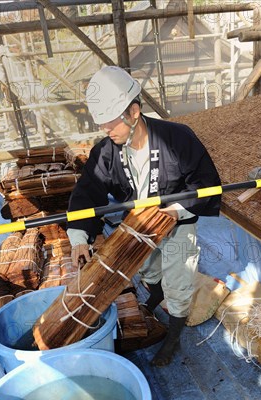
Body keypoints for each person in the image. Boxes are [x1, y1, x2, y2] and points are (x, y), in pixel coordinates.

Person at [67, 66, 221, 367]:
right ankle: (154, 295)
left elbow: (207, 185)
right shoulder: (106, 152)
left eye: (111, 123)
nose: (106, 131)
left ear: (133, 112)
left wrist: (175, 213)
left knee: (178, 282)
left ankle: (173, 337)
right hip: (138, 227)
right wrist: (78, 239)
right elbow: (87, 194)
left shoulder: (176, 138)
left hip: (177, 225)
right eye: (102, 125)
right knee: (148, 271)